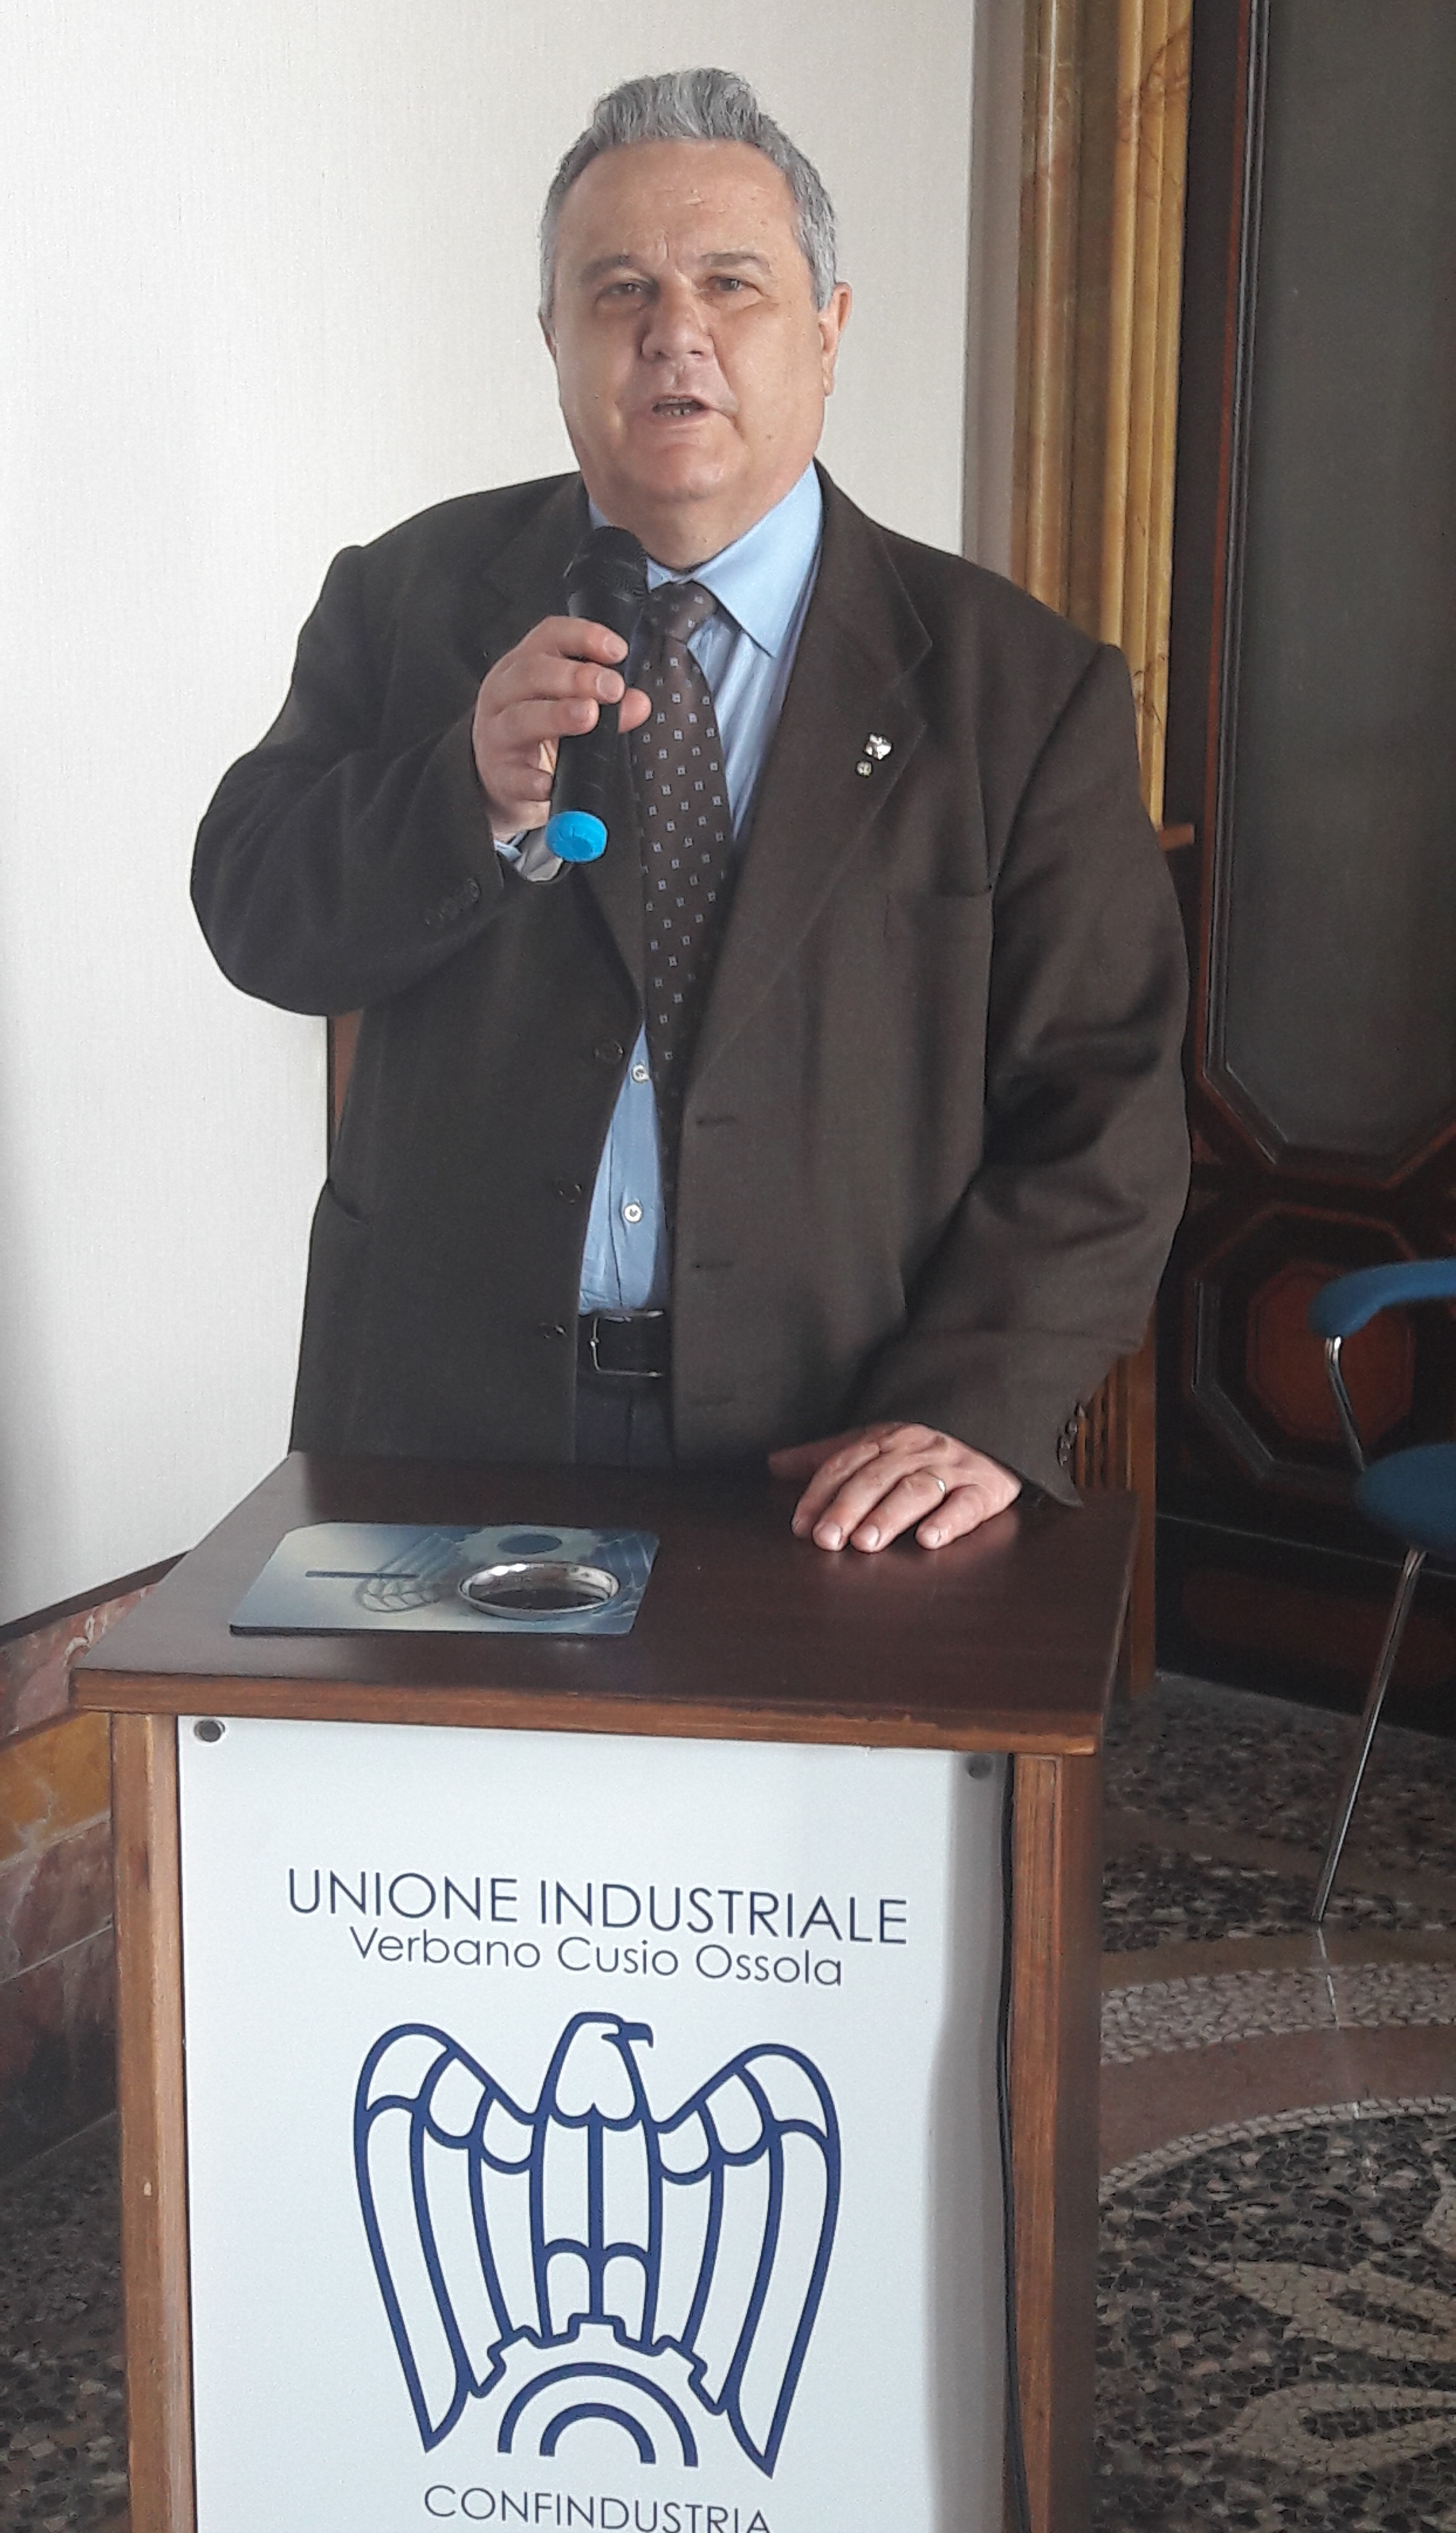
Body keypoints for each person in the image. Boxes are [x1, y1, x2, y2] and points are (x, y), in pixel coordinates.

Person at [192, 67, 1188, 1558]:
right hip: (438, 1431)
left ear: (828, 332)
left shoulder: (1020, 688)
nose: (676, 333)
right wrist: (462, 792)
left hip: (830, 1460)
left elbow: (1107, 1103)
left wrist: (982, 1401)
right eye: (620, 291)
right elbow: (258, 915)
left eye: (732, 283)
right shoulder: (406, 601)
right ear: (554, 340)